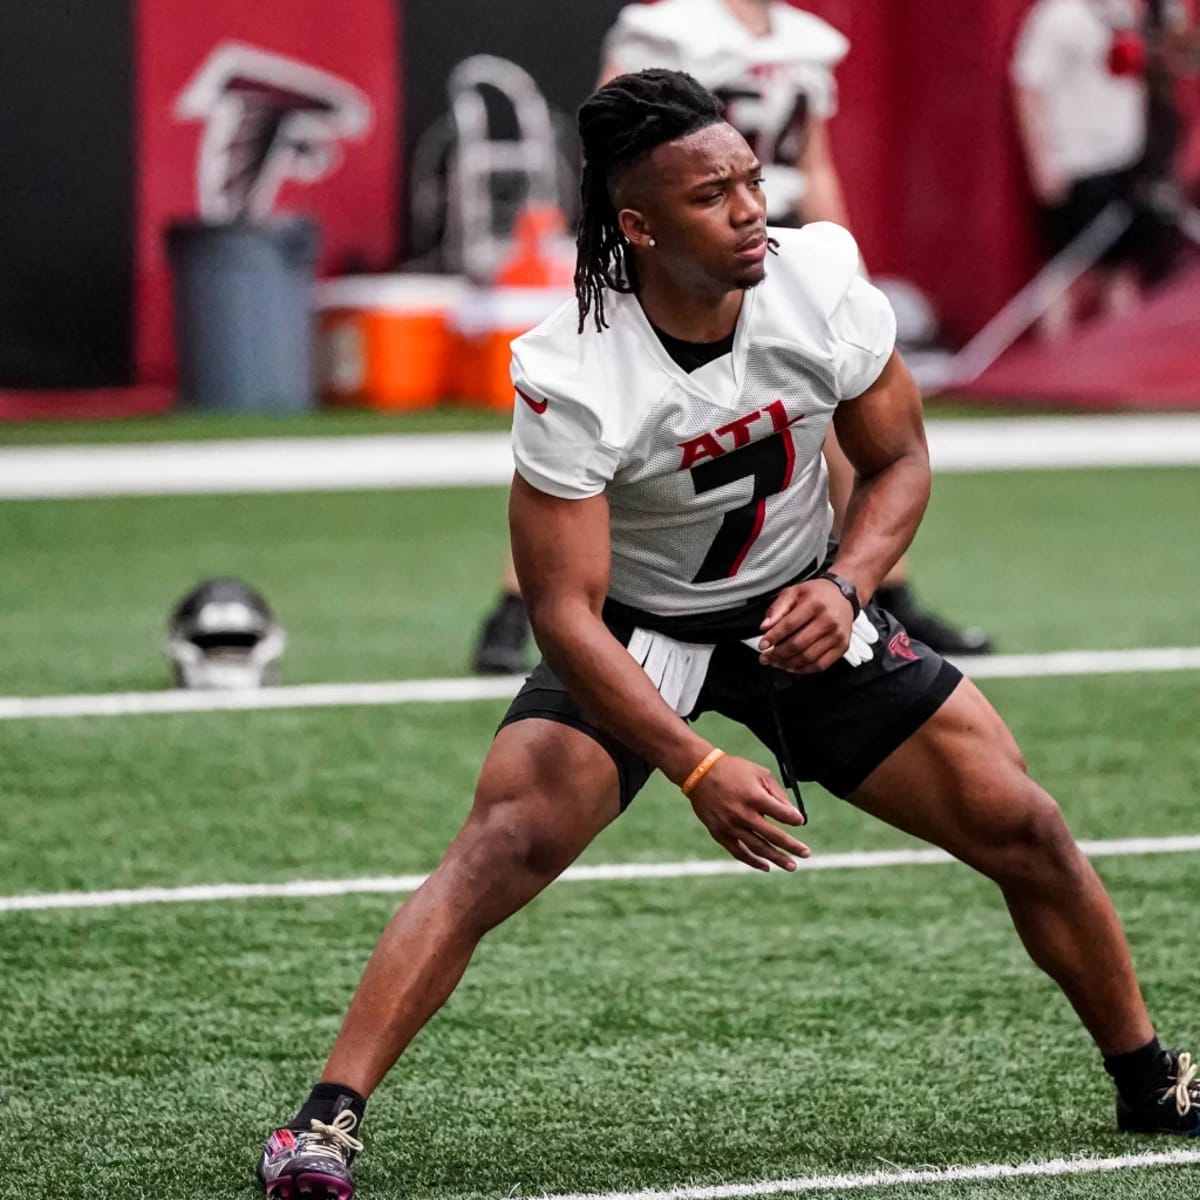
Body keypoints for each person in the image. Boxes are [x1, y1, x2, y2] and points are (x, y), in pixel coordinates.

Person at [259, 71, 1198, 1200]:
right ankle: (320, 1126)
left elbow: (899, 462)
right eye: (716, 195)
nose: (753, 207)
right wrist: (695, 763)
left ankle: (1151, 1080)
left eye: (752, 178)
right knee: (498, 850)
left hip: (804, 605)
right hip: (639, 625)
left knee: (1027, 827)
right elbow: (561, 610)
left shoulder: (821, 284)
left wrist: (850, 584)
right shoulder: (574, 370)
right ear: (640, 225)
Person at [473, 0, 990, 676]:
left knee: (835, 416)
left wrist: (848, 266)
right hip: (685, 251)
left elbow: (817, 164)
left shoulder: (808, 42)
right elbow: (610, 147)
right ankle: (520, 602)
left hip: (774, 240)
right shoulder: (669, 29)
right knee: (592, 436)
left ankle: (881, 587)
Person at [1012, 0, 1181, 337]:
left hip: (1126, 156)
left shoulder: (1126, 13)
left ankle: (1117, 354)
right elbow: (1028, 87)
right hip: (1077, 160)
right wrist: (1042, 161)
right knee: (1065, 266)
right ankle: (1051, 360)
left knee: (1121, 266)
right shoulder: (1058, 16)